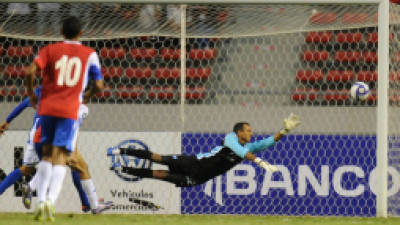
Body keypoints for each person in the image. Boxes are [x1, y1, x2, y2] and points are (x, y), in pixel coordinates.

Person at [25, 16, 104, 221]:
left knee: (46, 156)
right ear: (81, 33)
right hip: (69, 111)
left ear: (61, 32)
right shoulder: (89, 54)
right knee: (62, 157)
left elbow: (30, 71)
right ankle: (51, 200)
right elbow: (100, 85)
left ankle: (41, 199)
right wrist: (87, 95)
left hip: (47, 108)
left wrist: (31, 93)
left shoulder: (50, 50)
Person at [0, 86, 113, 214]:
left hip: (37, 132)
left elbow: (23, 104)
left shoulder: (43, 89)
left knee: (30, 168)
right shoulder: (74, 101)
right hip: (53, 133)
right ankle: (87, 204)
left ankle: (87, 203)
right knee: (70, 163)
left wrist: (7, 121)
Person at [108, 114, 300, 187]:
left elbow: (268, 142)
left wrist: (284, 131)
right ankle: (121, 151)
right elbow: (241, 153)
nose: (252, 133)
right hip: (193, 162)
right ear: (239, 131)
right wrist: (259, 162)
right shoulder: (230, 139)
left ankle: (122, 170)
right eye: (248, 130)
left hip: (200, 177)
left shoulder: (249, 146)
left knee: (158, 174)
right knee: (157, 157)